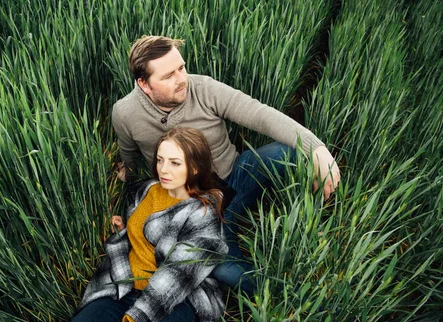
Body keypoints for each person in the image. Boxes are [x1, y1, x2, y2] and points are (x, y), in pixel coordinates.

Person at [112, 35, 341, 292]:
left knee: (288, 151)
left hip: (235, 174)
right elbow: (132, 164)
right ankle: (288, 294)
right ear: (144, 84)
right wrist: (128, 206)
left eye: (182, 68)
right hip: (197, 205)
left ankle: (318, 204)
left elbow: (259, 114)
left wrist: (316, 148)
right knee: (223, 267)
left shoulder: (204, 88)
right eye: (168, 76)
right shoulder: (125, 113)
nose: (181, 79)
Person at [62, 127, 230, 322]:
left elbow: (175, 278)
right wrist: (124, 228)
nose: (164, 169)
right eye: (161, 159)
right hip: (127, 286)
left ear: (196, 168)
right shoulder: (151, 189)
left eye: (175, 163)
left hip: (177, 303)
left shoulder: (203, 214)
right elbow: (142, 224)